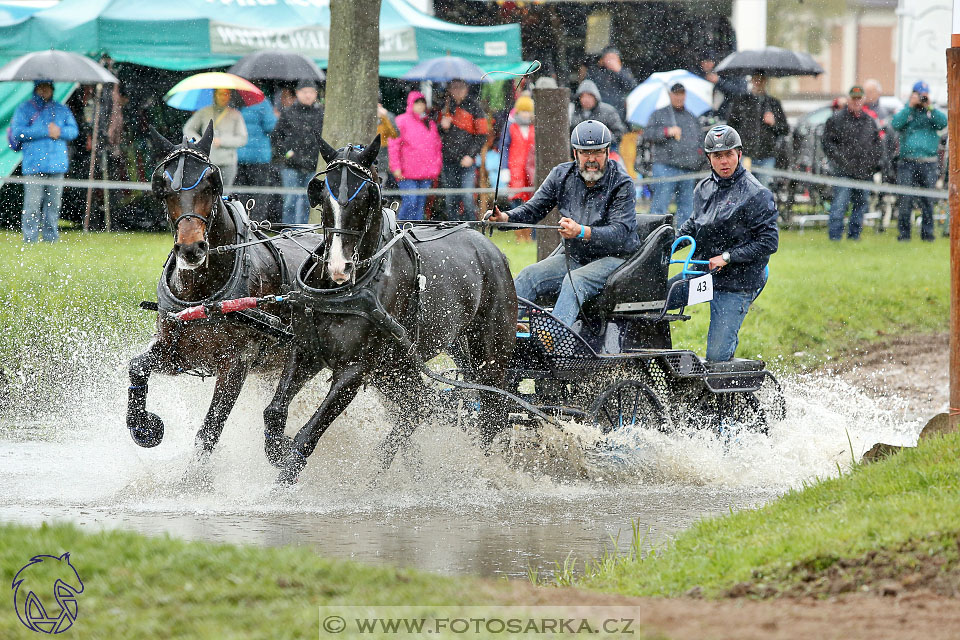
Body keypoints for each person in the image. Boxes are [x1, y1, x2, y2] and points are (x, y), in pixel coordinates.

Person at [486, 120, 640, 328]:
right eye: (586, 153)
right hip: (577, 257)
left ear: (607, 152)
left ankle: (552, 341)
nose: (592, 159)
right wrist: (505, 218)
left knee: (575, 280)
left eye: (598, 153)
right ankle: (499, 333)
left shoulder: (622, 183)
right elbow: (533, 209)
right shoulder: (561, 175)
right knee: (529, 276)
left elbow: (620, 234)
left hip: (616, 259)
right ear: (575, 153)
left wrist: (581, 232)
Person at [669, 125, 779, 363]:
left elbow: (769, 242)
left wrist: (728, 257)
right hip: (704, 274)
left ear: (739, 154)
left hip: (739, 280)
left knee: (717, 357)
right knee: (654, 299)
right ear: (709, 158)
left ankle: (734, 390)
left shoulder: (757, 194)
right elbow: (692, 225)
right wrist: (662, 246)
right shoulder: (703, 188)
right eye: (718, 156)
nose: (724, 161)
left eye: (729, 154)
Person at [11, 80, 78, 243]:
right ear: (36, 89)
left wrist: (59, 131)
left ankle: (51, 238)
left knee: (53, 205)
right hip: (34, 165)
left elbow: (73, 131)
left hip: (57, 165)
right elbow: (18, 132)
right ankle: (30, 238)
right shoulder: (24, 109)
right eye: (42, 87)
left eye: (48, 88)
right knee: (32, 205)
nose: (45, 91)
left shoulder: (61, 109)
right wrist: (44, 131)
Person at [822, 85, 882, 241]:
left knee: (860, 205)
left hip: (864, 172)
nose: (856, 102)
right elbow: (828, 144)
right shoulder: (836, 119)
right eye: (853, 99)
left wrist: (872, 165)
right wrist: (842, 162)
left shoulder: (869, 121)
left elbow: (877, 145)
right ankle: (835, 236)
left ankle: (854, 235)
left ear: (863, 100)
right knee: (839, 205)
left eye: (859, 99)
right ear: (848, 99)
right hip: (843, 172)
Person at [892, 80, 947, 241]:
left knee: (927, 200)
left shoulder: (931, 113)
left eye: (924, 95)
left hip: (928, 163)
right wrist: (910, 106)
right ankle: (904, 234)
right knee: (905, 199)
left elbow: (943, 123)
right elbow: (895, 124)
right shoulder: (907, 112)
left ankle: (927, 234)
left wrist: (930, 107)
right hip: (907, 162)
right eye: (919, 95)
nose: (921, 99)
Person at [645, 83, 703, 227]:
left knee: (687, 209)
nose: (679, 97)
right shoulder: (658, 114)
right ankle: (655, 236)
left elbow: (700, 141)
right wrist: (666, 132)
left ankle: (683, 240)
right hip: (665, 166)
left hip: (688, 168)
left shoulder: (691, 117)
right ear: (670, 95)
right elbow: (648, 134)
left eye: (682, 94)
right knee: (660, 206)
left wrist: (697, 159)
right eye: (676, 94)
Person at [272, 79, 324, 225]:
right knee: (290, 202)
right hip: (291, 166)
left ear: (315, 94)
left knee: (309, 203)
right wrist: (288, 153)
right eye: (304, 92)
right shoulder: (288, 113)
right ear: (298, 93)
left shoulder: (322, 114)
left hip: (313, 165)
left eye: (311, 92)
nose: (308, 95)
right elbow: (276, 137)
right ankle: (288, 231)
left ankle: (304, 232)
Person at [725, 72, 789, 190]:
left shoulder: (773, 103)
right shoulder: (741, 101)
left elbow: (785, 129)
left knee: (763, 192)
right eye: (756, 79)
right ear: (752, 81)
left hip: (767, 155)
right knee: (745, 189)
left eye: (762, 79)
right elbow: (731, 127)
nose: (758, 82)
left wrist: (774, 123)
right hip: (746, 154)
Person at [438, 78, 488, 221]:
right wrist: (442, 126)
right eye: (454, 87)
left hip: (467, 161)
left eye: (460, 87)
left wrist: (470, 155)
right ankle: (453, 230)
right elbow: (435, 132)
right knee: (450, 199)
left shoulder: (474, 107)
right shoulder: (445, 106)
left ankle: (471, 228)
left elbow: (482, 135)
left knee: (467, 197)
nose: (457, 91)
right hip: (449, 159)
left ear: (466, 89)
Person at [388, 90, 441, 221]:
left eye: (422, 103)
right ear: (410, 104)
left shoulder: (429, 123)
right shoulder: (401, 121)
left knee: (419, 205)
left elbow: (436, 146)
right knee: (410, 201)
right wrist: (396, 167)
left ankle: (415, 231)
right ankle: (400, 229)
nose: (420, 106)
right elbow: (393, 145)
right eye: (417, 103)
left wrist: (435, 167)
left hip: (426, 173)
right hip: (406, 173)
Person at [183, 88, 247, 188]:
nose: (224, 97)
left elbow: (242, 139)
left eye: (226, 94)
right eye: (221, 94)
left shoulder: (236, 115)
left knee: (225, 193)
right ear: (214, 95)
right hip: (208, 160)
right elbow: (188, 129)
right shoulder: (204, 112)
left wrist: (222, 142)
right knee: (206, 192)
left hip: (228, 162)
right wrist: (201, 142)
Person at [235, 86, 278, 221]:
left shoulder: (233, 102)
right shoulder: (262, 102)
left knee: (239, 193)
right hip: (260, 156)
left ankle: (240, 221)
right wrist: (275, 117)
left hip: (238, 154)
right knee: (259, 193)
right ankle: (257, 223)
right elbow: (270, 126)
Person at [588, 46, 638, 123]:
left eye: (614, 58)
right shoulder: (595, 71)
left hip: (618, 110)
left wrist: (619, 71)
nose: (611, 61)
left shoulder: (624, 71)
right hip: (599, 110)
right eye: (608, 58)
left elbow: (633, 86)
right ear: (602, 59)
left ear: (619, 60)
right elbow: (588, 87)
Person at [502, 95, 536, 208]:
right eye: (523, 111)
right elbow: (504, 149)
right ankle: (518, 225)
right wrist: (504, 168)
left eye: (528, 111)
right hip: (515, 169)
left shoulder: (535, 128)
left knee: (533, 200)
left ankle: (532, 226)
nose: (525, 114)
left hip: (531, 170)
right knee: (516, 201)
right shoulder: (510, 127)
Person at [569, 79, 626, 144]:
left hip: (606, 151)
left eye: (589, 96)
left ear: (595, 97)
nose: (586, 100)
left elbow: (619, 134)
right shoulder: (572, 111)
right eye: (583, 96)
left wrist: (603, 138)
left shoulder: (608, 111)